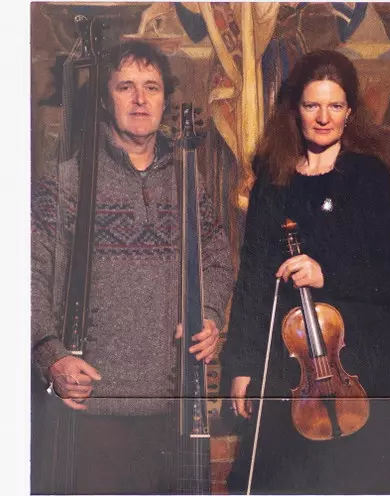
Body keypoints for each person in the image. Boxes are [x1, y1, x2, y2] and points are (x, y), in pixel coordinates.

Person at [30, 41, 234, 494]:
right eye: (126, 87)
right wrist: (51, 355)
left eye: (151, 87)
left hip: (174, 408)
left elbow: (218, 260)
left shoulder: (188, 178)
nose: (140, 99)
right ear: (106, 100)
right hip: (94, 409)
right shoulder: (67, 181)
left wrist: (210, 314)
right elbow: (28, 277)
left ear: (165, 99)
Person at [220, 50, 390, 495]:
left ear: (350, 112)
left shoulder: (368, 177)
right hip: (289, 371)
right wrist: (242, 365)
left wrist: (328, 275)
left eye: (335, 106)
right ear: (296, 110)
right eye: (312, 105)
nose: (324, 118)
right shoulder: (273, 181)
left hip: (358, 368)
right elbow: (252, 281)